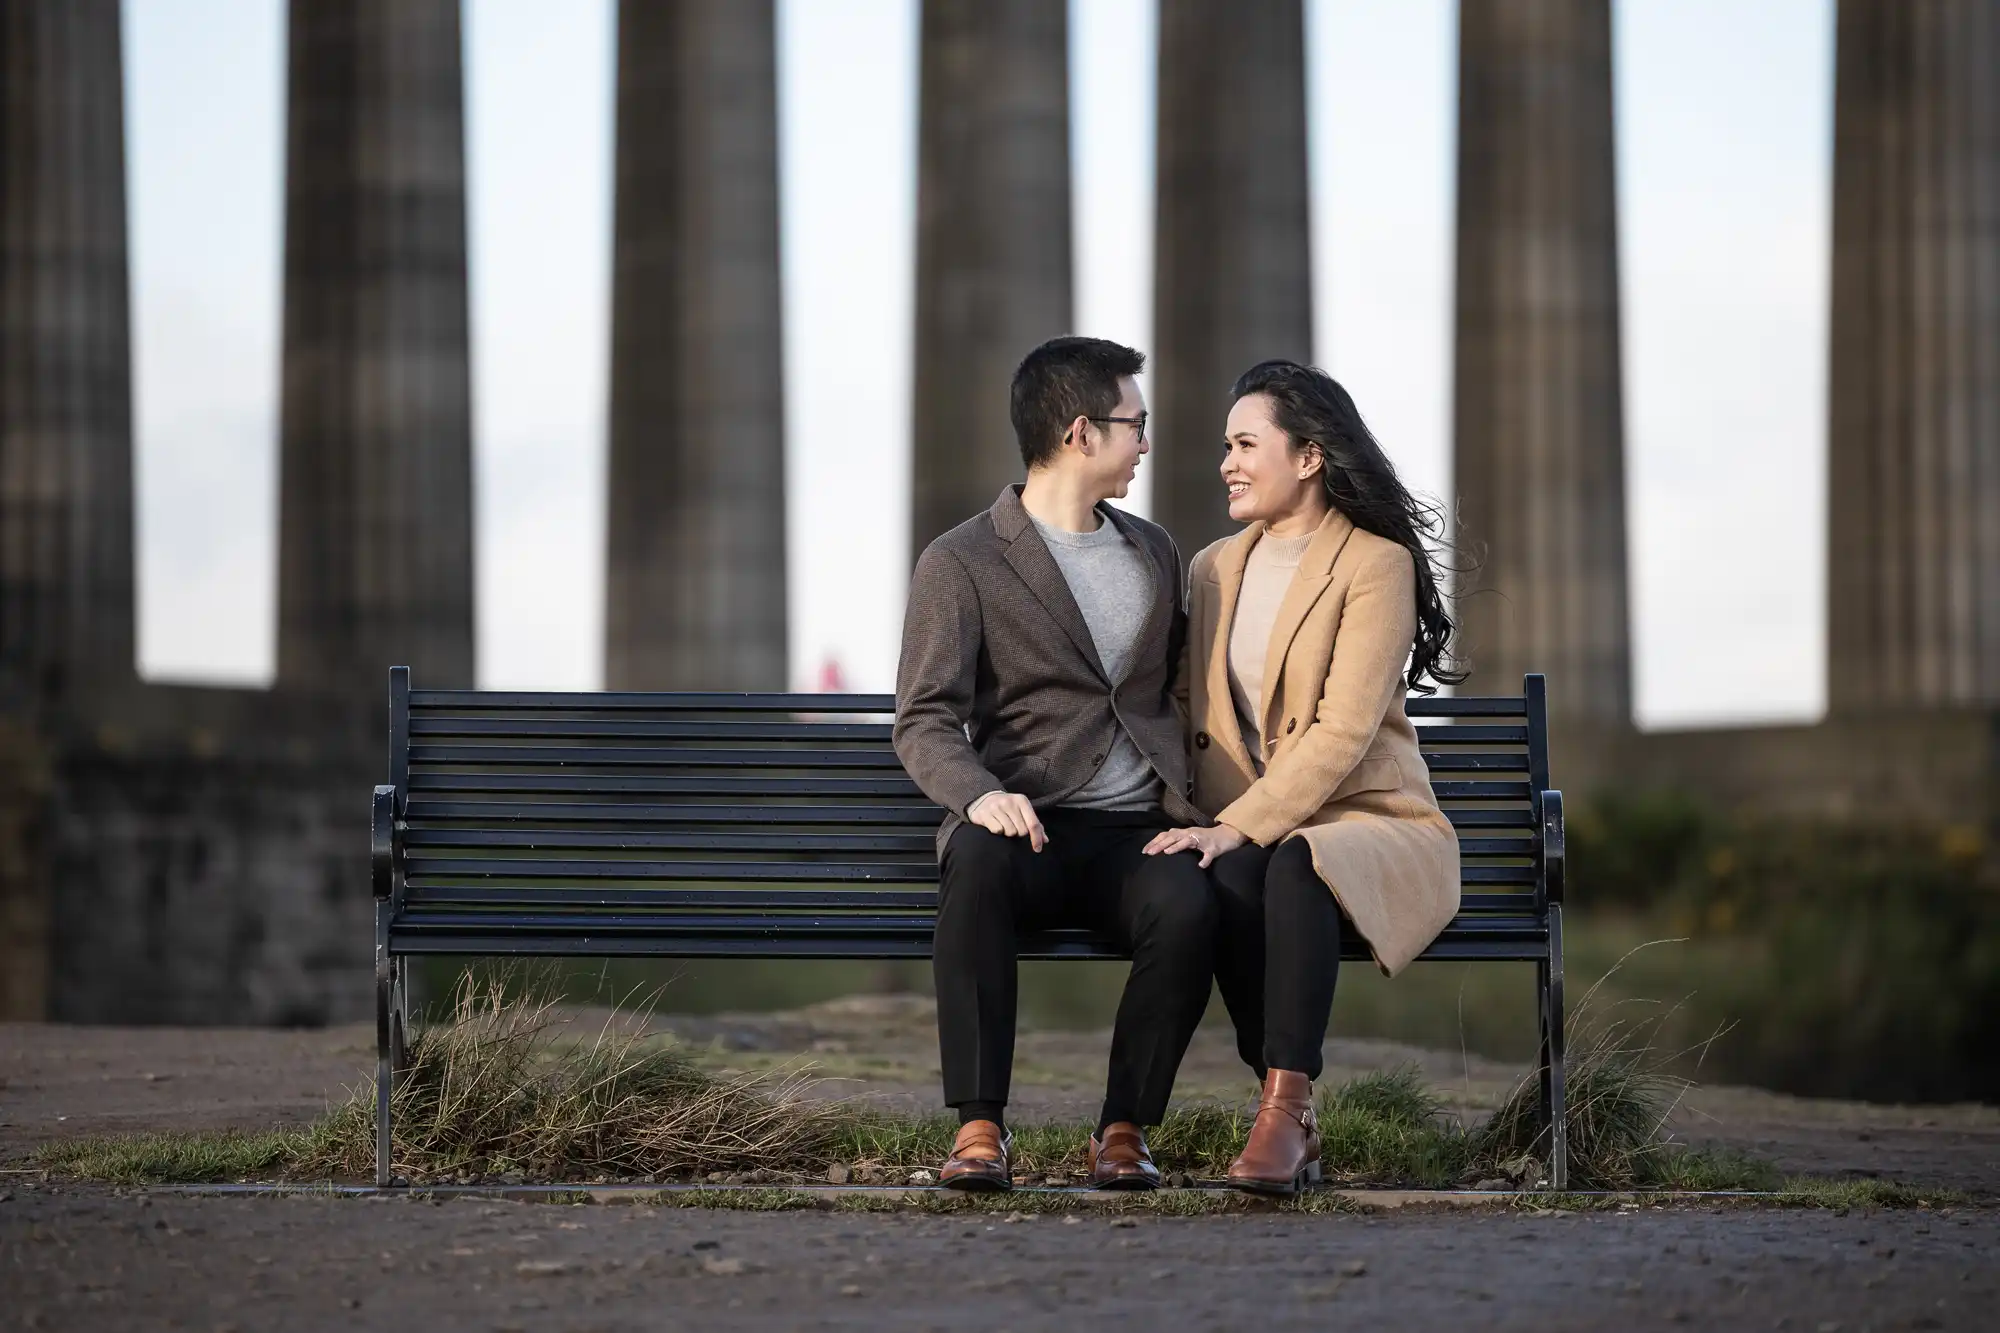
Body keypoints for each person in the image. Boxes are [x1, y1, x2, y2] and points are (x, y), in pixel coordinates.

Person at [894, 336, 1215, 1192]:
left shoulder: (1155, 551)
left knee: (1188, 905)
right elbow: (923, 718)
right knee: (975, 862)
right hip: (1025, 827)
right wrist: (980, 795)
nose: (1146, 442)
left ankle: (1122, 1129)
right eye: (1134, 424)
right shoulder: (960, 560)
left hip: (1133, 835)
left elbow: (1177, 693)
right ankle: (977, 1129)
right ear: (1081, 432)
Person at [1144, 359, 1463, 1195]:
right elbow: (1186, 705)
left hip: (1370, 819)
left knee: (1291, 861)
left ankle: (1286, 1113)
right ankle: (1286, 1103)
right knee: (1223, 876)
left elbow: (1345, 729)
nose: (1227, 463)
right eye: (1225, 446)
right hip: (1257, 821)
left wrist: (1235, 824)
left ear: (1310, 456)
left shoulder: (1374, 564)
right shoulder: (1211, 566)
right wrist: (1187, 817)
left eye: (1247, 444)